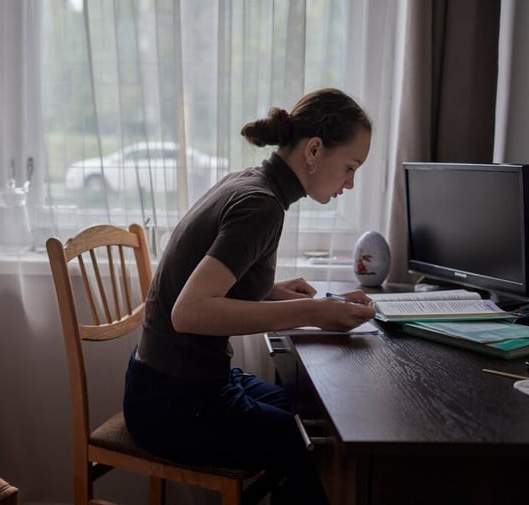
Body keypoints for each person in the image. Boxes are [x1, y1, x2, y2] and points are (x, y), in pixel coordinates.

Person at [123, 88, 376, 503]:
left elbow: (210, 283)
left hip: (164, 384)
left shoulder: (250, 181)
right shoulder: (261, 206)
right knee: (315, 447)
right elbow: (188, 313)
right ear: (314, 150)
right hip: (174, 403)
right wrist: (312, 311)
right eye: (350, 167)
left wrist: (274, 292)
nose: (350, 183)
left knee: (311, 416)